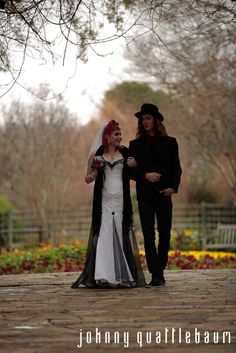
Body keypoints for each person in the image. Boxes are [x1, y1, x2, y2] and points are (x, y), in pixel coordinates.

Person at [71, 120, 146, 289]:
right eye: (116, 134)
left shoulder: (126, 153)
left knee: (119, 233)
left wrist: (135, 165)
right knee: (105, 233)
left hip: (121, 199)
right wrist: (91, 176)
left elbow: (135, 172)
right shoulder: (98, 155)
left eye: (120, 134)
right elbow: (89, 177)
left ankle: (119, 275)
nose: (120, 137)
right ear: (107, 137)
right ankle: (103, 275)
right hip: (104, 200)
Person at [128, 104, 182, 287]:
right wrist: (145, 175)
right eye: (143, 120)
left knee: (165, 234)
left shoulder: (171, 142)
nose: (145, 122)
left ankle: (160, 268)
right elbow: (130, 173)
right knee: (148, 236)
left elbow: (177, 169)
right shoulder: (134, 145)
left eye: (148, 118)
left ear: (156, 120)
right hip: (145, 197)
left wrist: (173, 188)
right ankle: (156, 274)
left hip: (165, 195)